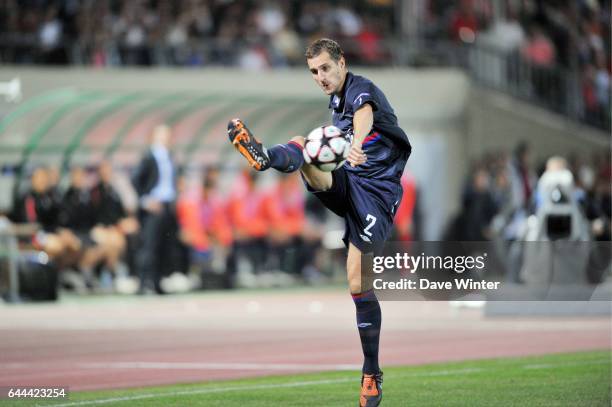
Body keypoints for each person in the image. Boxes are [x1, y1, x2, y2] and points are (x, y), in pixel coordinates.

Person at [227, 38, 411, 407]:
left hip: (377, 193)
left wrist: (356, 143)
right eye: (314, 72)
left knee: (357, 281)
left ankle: (371, 372)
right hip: (347, 182)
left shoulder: (362, 89)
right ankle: (265, 158)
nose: (321, 77)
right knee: (305, 145)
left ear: (341, 62)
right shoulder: (334, 103)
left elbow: (365, 115)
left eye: (326, 68)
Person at [131, 124, 179, 294]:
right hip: (153, 207)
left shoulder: (170, 156)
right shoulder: (149, 157)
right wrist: (146, 200)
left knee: (164, 246)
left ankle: (158, 282)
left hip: (167, 205)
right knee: (149, 246)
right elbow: (136, 179)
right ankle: (143, 283)